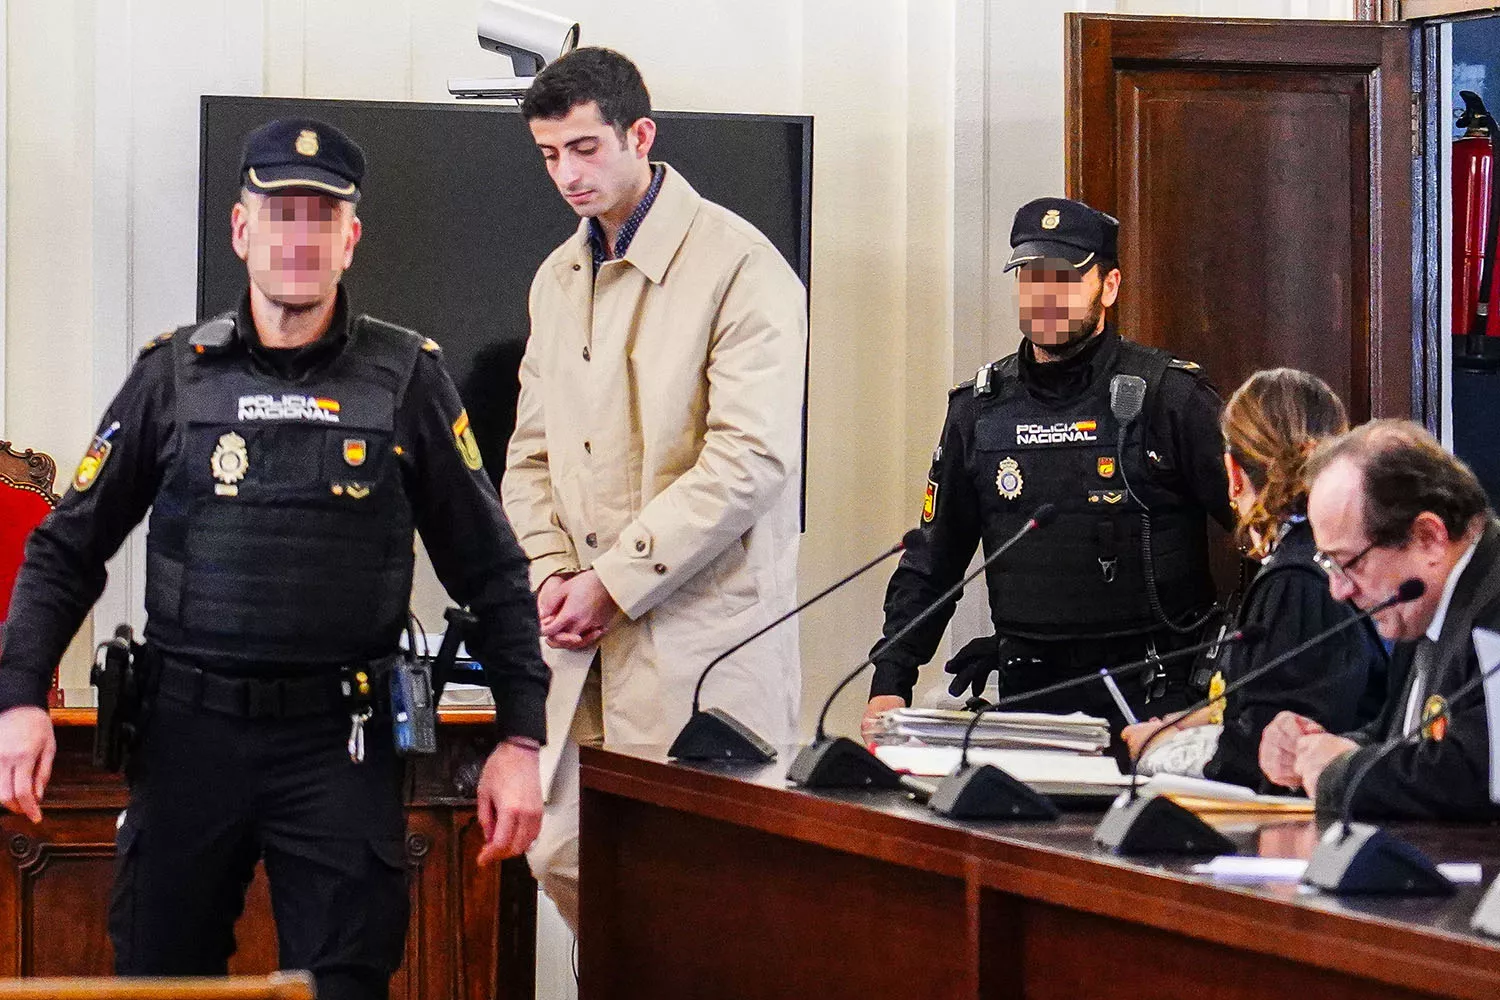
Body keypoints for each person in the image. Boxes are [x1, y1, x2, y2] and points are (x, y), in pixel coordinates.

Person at [0, 118, 548, 1000]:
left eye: (320, 216)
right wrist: (20, 695)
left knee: (343, 986)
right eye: (280, 213)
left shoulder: (407, 377)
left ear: (350, 238)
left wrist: (521, 737)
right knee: (158, 985)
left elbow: (491, 568)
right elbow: (68, 547)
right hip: (186, 736)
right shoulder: (172, 375)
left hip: (340, 744)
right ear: (241, 230)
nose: (299, 236)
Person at [504, 48, 807, 932]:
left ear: (640, 135)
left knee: (700, 901)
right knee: (559, 851)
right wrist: (550, 572)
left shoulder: (743, 266)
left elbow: (749, 459)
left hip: (700, 643)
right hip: (580, 646)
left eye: (585, 148)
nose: (567, 174)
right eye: (550, 155)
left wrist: (613, 581)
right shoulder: (555, 278)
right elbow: (528, 454)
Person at [862, 197, 1233, 738]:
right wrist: (891, 681)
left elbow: (1266, 527)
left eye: (1064, 278)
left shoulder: (1169, 397)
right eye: (1031, 278)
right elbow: (932, 563)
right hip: (1030, 700)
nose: (1045, 296)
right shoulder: (980, 410)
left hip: (1158, 701)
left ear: (1109, 286)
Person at [1122, 369, 1387, 786]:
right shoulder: (1332, 559)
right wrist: (1188, 724)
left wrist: (1156, 750)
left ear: (1233, 473)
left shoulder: (1296, 580)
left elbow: (1262, 757)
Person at [1260, 420, 1500, 819]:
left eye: (1348, 563)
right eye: (1328, 564)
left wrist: (1340, 773)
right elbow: (1402, 739)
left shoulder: (1492, 606)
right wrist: (1314, 750)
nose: (1338, 591)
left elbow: (1474, 773)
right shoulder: (1420, 607)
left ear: (1428, 538)